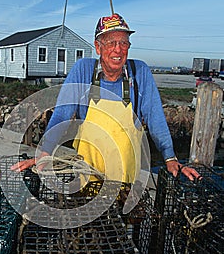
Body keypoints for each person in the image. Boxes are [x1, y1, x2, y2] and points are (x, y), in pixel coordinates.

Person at [12, 13, 200, 182]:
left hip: (127, 177)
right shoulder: (83, 70)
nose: (118, 50)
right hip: (86, 174)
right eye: (111, 42)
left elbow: (155, 117)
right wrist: (44, 152)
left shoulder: (139, 72)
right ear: (98, 47)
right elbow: (62, 114)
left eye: (124, 43)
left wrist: (170, 157)